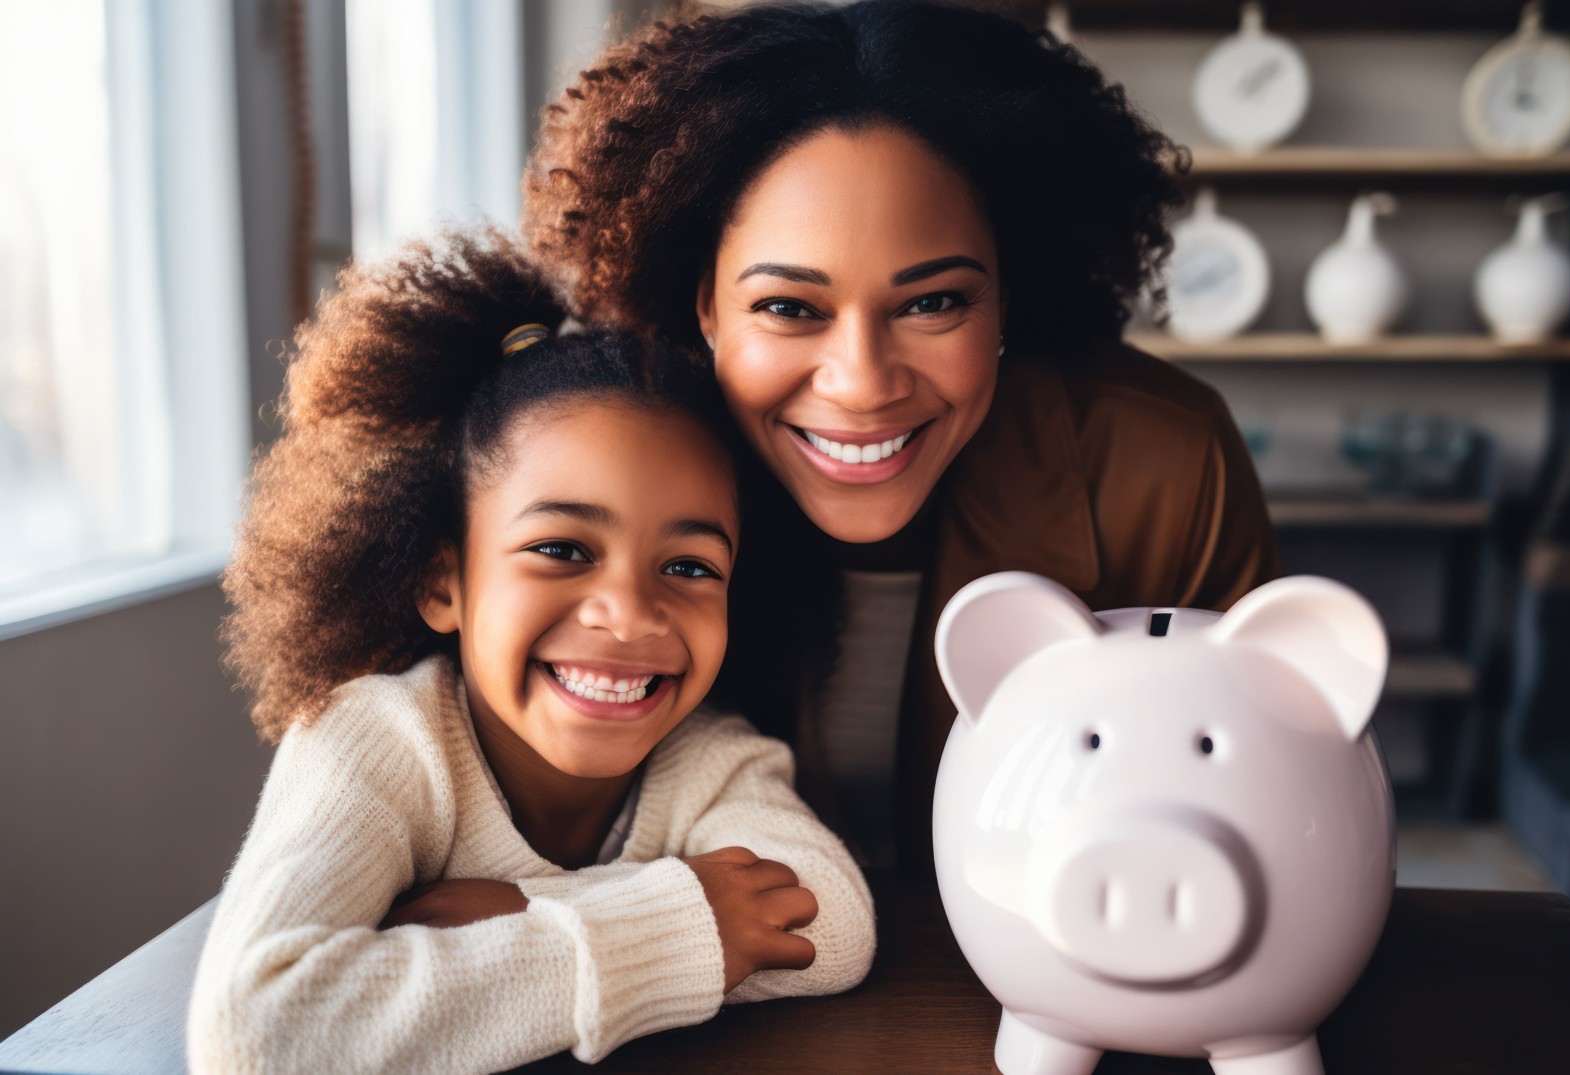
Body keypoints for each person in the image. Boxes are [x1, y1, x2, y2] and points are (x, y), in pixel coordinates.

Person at [522, 0, 1281, 868]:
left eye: (932, 303)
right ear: (705, 307)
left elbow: (1269, 812)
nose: (863, 382)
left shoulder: (1165, 468)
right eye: (788, 307)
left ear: (1007, 297)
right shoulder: (574, 463)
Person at [187, 230, 875, 1073]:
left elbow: (833, 925)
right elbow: (259, 1027)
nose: (628, 615)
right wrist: (686, 922)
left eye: (690, 566)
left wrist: (516, 907)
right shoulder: (376, 740)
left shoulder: (706, 754)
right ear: (445, 582)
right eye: (562, 549)